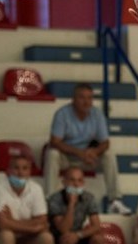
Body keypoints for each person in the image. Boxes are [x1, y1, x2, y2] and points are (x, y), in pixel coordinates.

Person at [44, 83, 131, 215]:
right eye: (82, 97)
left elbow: (105, 143)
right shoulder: (62, 114)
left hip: (88, 159)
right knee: (52, 154)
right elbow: (54, 141)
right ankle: (49, 200)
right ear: (73, 99)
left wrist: (94, 152)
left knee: (108, 154)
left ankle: (115, 201)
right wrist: (80, 153)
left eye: (90, 98)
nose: (86, 102)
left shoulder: (97, 114)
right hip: (67, 157)